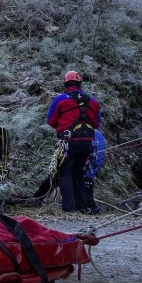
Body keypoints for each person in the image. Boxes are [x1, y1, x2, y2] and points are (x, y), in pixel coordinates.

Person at [46, 70, 102, 213]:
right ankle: (82, 206)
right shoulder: (93, 102)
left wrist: (63, 127)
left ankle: (69, 208)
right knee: (78, 173)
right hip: (86, 143)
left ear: (65, 83)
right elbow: (96, 123)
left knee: (65, 173)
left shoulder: (60, 99)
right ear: (80, 83)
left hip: (67, 142)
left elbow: (51, 120)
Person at [84, 129, 107, 214]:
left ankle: (90, 208)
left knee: (86, 182)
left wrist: (90, 173)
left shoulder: (96, 134)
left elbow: (98, 157)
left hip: (87, 167)